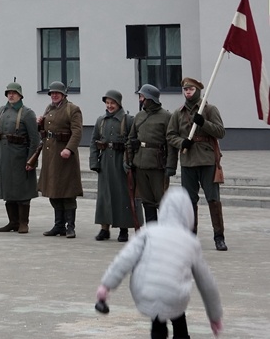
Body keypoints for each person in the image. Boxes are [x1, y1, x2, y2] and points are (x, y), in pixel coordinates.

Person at [96, 187, 223, 339]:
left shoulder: (149, 232)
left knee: (158, 320)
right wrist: (214, 316)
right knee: (179, 325)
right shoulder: (191, 242)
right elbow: (206, 282)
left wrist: (105, 286)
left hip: (146, 290)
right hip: (174, 295)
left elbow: (124, 259)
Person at [166, 77, 228, 251]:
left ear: (198, 91)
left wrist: (203, 123)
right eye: (185, 90)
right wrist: (181, 143)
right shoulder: (178, 113)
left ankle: (219, 237)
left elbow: (221, 132)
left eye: (191, 89)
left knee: (213, 199)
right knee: (189, 201)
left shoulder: (209, 109)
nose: (188, 92)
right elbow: (170, 135)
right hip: (188, 161)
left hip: (207, 160)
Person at [0, 82, 40, 234]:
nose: (11, 95)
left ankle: (23, 222)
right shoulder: (2, 110)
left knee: (22, 189)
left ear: (20, 95)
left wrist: (32, 160)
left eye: (14, 93)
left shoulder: (27, 113)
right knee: (8, 188)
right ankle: (13, 221)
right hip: (4, 154)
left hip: (20, 155)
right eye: (8, 93)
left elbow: (34, 139)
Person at [90, 90, 138, 242]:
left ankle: (123, 229)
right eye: (107, 103)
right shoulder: (101, 121)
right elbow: (94, 142)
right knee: (104, 196)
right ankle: (105, 228)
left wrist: (130, 163)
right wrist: (94, 162)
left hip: (121, 161)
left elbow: (133, 142)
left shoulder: (128, 120)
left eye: (113, 103)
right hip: (105, 161)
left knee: (122, 195)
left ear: (119, 104)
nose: (110, 106)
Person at [38, 81, 83, 238]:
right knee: (53, 190)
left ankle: (70, 226)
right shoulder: (49, 109)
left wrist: (69, 149)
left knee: (68, 192)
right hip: (51, 155)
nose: (54, 95)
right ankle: (59, 225)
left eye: (57, 93)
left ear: (64, 94)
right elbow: (45, 131)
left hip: (65, 156)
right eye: (52, 93)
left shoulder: (73, 109)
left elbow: (77, 132)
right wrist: (39, 124)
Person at [126, 84, 176, 224]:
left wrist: (171, 166)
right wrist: (129, 160)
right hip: (140, 163)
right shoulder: (139, 116)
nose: (140, 99)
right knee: (146, 201)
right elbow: (130, 139)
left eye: (142, 97)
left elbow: (171, 143)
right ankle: (151, 231)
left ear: (149, 98)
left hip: (158, 165)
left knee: (162, 200)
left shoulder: (166, 117)